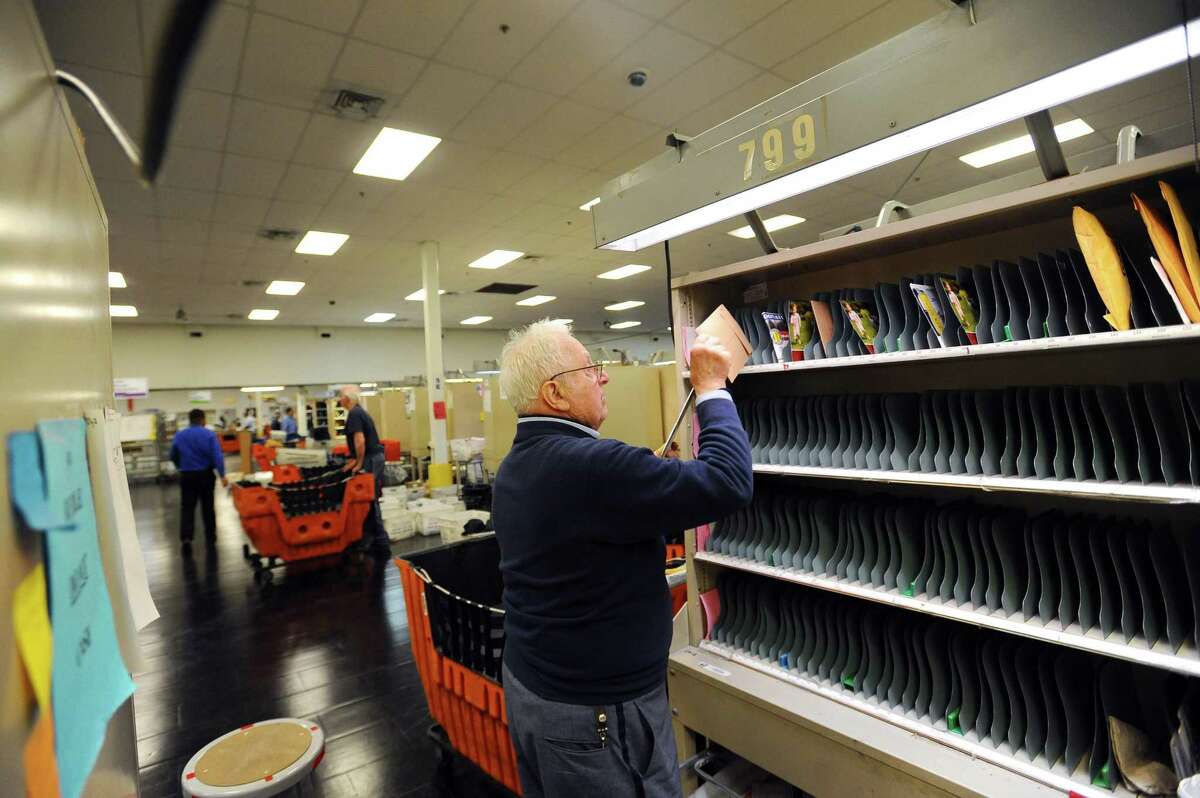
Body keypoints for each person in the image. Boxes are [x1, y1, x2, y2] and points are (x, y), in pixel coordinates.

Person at [493, 320, 753, 798]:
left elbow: (584, 533)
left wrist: (641, 483)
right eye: (591, 369)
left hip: (535, 690)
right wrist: (712, 389)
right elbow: (728, 481)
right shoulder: (594, 467)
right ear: (554, 393)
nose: (604, 376)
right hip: (597, 716)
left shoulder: (518, 464)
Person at [338, 385, 390, 558]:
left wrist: (359, 463)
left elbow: (360, 441)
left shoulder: (354, 414)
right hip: (373, 456)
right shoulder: (359, 412)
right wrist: (354, 459)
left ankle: (380, 542)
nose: (339, 400)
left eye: (340, 397)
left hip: (371, 459)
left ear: (348, 398)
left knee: (369, 499)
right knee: (368, 499)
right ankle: (373, 539)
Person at [169, 408, 227, 554]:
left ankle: (186, 538)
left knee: (187, 507)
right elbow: (217, 456)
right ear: (202, 419)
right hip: (205, 475)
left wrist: (180, 466)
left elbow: (173, 454)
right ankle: (210, 536)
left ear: (190, 419)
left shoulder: (180, 435)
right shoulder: (209, 434)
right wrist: (222, 475)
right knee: (208, 507)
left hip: (187, 475)